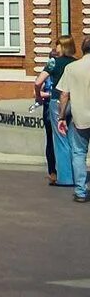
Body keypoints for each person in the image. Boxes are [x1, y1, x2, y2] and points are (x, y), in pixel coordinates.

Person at [56, 36, 90, 203]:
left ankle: (81, 191)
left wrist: (61, 116)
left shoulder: (72, 68)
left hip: (80, 117)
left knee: (79, 153)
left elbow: (64, 94)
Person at [43, 36, 78, 187]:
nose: (56, 48)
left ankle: (65, 177)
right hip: (75, 102)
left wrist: (39, 95)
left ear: (62, 47)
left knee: (60, 140)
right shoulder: (76, 63)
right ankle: (77, 175)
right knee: (72, 140)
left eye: (57, 45)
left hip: (58, 101)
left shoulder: (53, 62)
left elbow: (38, 81)